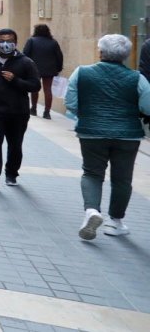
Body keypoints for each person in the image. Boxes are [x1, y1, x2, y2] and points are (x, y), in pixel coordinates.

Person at [64, 34, 150, 240]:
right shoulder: (137, 78)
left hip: (91, 132)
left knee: (92, 173)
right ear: (126, 55)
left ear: (100, 52)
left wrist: (87, 115)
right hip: (127, 135)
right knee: (122, 178)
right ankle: (115, 221)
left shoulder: (81, 72)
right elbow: (147, 106)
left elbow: (71, 103)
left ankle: (92, 210)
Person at [0, 29, 40, 190]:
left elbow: (35, 85)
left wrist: (15, 80)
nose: (5, 44)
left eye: (9, 41)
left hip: (18, 112)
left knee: (15, 145)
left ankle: (11, 173)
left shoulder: (26, 62)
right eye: (2, 40)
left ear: (16, 42)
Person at [23, 24, 64, 119]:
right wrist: (58, 68)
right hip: (49, 69)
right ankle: (47, 112)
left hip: (34, 68)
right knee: (48, 90)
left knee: (35, 89)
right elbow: (59, 56)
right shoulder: (53, 42)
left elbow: (25, 54)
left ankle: (33, 109)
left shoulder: (31, 41)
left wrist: (25, 67)